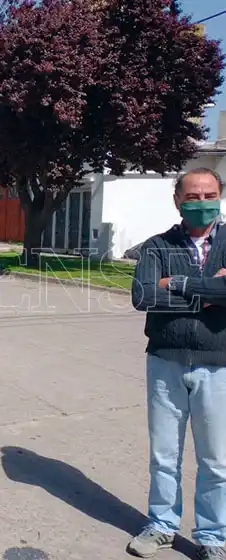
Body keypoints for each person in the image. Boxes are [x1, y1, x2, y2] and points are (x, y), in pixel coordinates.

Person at [129, 167, 226, 560]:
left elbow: (163, 291)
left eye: (209, 195)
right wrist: (211, 291)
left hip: (217, 363)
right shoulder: (156, 246)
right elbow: (143, 295)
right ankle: (161, 525)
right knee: (164, 455)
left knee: (216, 459)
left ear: (219, 196)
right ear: (177, 201)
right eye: (192, 196)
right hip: (165, 362)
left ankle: (213, 535)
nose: (201, 203)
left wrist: (179, 283)